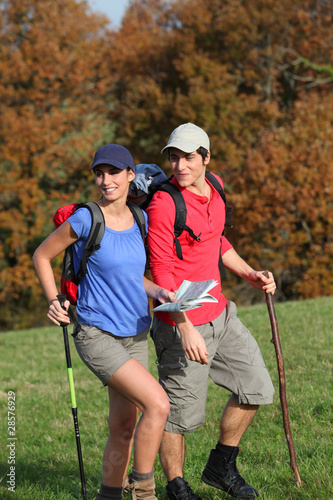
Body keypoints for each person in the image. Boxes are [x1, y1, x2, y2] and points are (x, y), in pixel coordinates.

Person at [33, 144, 175, 500]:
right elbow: (41, 254)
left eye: (114, 172)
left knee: (124, 425)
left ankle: (108, 495)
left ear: (130, 175)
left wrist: (157, 290)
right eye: (100, 173)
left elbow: (130, 276)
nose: (105, 180)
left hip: (136, 334)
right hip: (97, 334)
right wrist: (54, 300)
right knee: (158, 405)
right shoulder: (86, 218)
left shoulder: (139, 219)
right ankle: (144, 493)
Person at [146, 123, 276, 500]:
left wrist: (249, 272)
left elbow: (216, 238)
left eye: (188, 157)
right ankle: (176, 485)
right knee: (180, 415)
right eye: (174, 157)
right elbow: (162, 271)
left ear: (205, 157)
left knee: (254, 388)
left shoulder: (215, 186)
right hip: (180, 323)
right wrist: (183, 326)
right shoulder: (164, 202)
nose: (180, 165)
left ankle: (220, 466)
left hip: (221, 313)